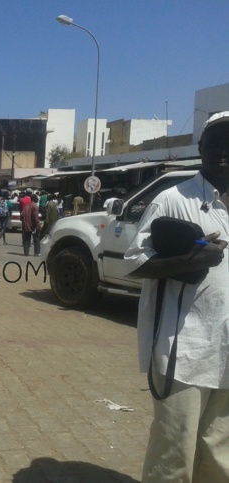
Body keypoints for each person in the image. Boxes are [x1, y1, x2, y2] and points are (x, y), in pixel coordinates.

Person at [124, 111, 229, 482]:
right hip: (182, 351)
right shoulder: (172, 199)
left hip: (226, 350)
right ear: (200, 147)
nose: (223, 149)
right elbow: (135, 262)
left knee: (220, 454)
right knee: (175, 453)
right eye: (216, 141)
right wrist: (189, 260)